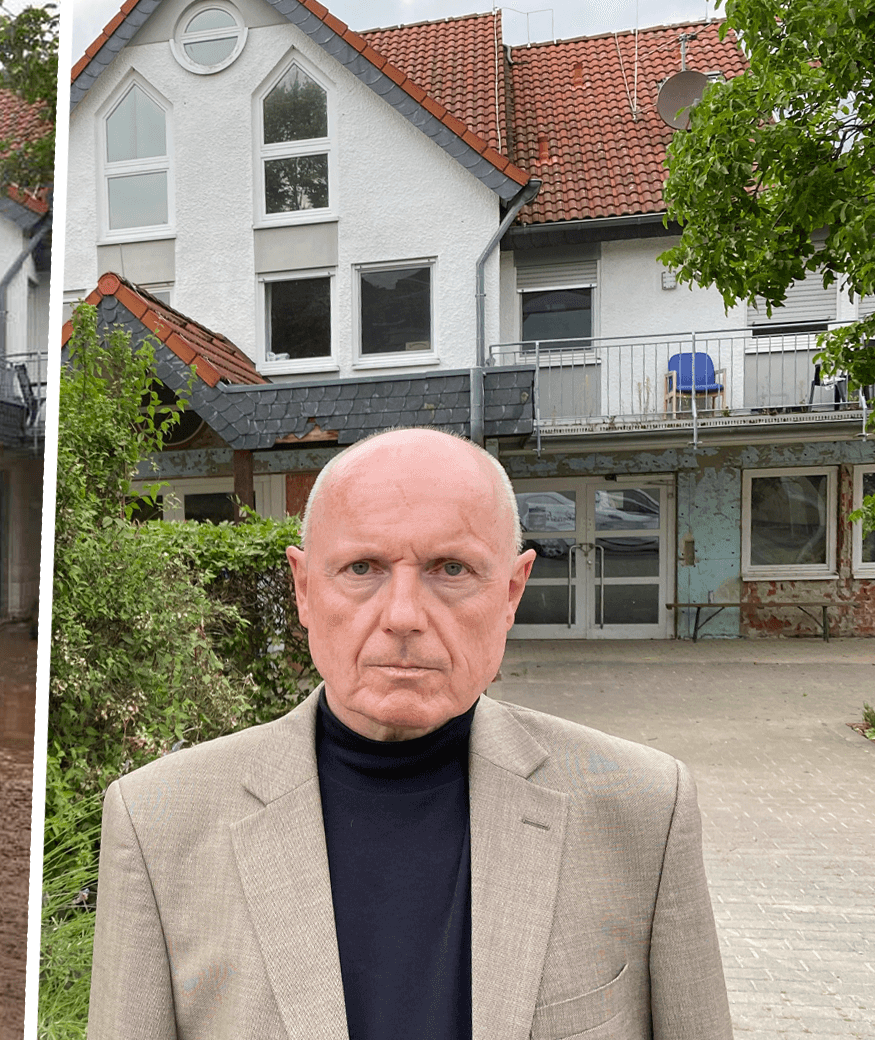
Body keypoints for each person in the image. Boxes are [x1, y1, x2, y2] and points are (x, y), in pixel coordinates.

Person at [87, 427, 731, 1040]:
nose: (402, 616)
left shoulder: (643, 809)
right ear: (304, 589)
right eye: (362, 568)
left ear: (512, 591)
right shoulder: (158, 823)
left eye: (450, 569)